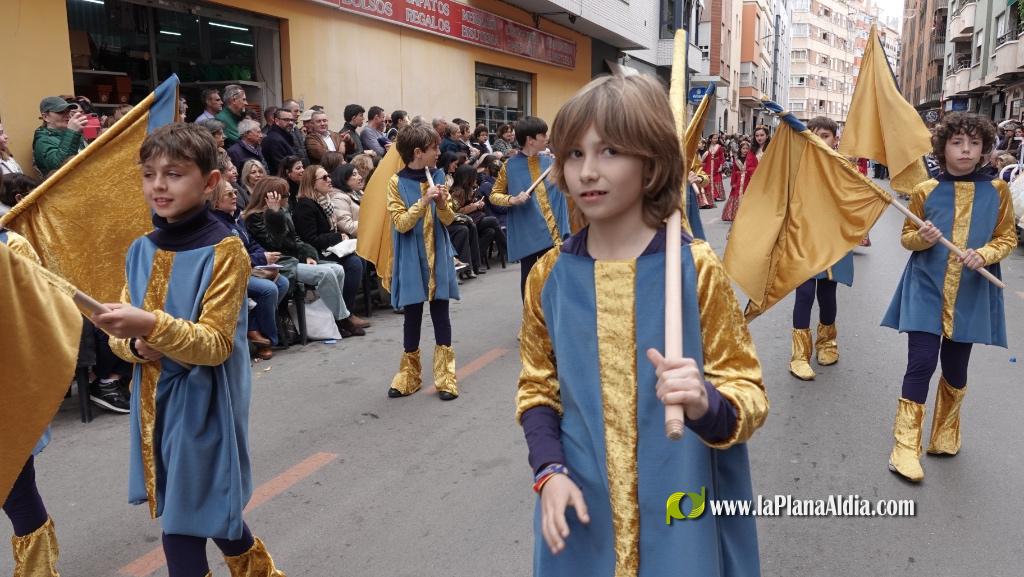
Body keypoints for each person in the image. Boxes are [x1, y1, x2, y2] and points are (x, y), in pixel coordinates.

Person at [516, 73, 766, 575]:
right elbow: (538, 389)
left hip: (680, 505)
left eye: (609, 151)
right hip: (582, 505)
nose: (588, 171)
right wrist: (549, 470)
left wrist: (705, 402)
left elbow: (748, 392)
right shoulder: (550, 275)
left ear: (651, 163)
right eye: (574, 154)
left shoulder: (694, 268)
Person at [89, 123, 285, 576]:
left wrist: (150, 326)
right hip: (154, 403)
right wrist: (135, 344)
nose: (158, 185)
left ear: (210, 181)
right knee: (210, 510)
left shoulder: (226, 250)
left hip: (206, 404)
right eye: (149, 174)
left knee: (181, 526)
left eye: (174, 174)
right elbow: (120, 336)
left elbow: (216, 344)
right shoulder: (140, 249)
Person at [881, 112, 1017, 482]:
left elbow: (1006, 237)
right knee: (921, 362)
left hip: (970, 291)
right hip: (925, 286)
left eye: (974, 143)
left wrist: (985, 254)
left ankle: (944, 433)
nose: (966, 150)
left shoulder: (998, 191)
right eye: (957, 142)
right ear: (943, 148)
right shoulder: (924, 191)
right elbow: (907, 238)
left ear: (984, 149)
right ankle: (905, 446)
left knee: (956, 367)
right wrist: (921, 238)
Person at [386, 123, 460, 401]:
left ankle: (446, 377)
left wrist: (441, 204)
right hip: (410, 254)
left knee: (441, 312)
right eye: (434, 148)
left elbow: (449, 219)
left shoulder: (438, 175)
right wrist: (424, 200)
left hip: (437, 252)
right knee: (413, 314)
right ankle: (409, 375)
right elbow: (401, 223)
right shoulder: (395, 182)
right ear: (418, 152)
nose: (439, 153)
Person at [243, 177, 365, 337]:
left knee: (338, 270)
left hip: (295, 258)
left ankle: (335, 320)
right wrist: (274, 215)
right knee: (326, 273)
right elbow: (274, 244)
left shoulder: (283, 212)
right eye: (284, 195)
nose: (288, 198)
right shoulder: (255, 217)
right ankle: (343, 319)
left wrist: (307, 254)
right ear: (270, 197)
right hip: (281, 263)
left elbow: (296, 240)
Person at [788, 117, 854, 381]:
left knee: (827, 295)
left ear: (835, 139)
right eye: (813, 134)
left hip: (834, 240)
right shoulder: (796, 165)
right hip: (803, 238)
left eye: (825, 135)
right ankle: (799, 355)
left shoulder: (845, 167)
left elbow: (853, 202)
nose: (818, 139)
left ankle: (827, 343)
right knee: (804, 294)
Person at [487, 116, 570, 298]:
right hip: (527, 232)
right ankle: (530, 315)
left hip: (553, 231)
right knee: (529, 279)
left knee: (554, 278)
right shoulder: (509, 166)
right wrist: (513, 199)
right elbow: (494, 195)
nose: (547, 137)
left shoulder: (550, 162)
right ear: (530, 140)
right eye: (543, 134)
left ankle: (552, 313)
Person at [209, 181, 289, 360]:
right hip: (230, 275)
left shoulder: (236, 218)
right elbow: (231, 258)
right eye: (229, 194)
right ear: (215, 201)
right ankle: (266, 341)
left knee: (283, 283)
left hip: (250, 268)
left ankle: (254, 329)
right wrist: (261, 259)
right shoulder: (216, 224)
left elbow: (252, 244)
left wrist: (265, 257)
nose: (235, 196)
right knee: (268, 289)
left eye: (235, 192)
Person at [291, 164, 370, 329]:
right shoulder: (305, 206)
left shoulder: (324, 201)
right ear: (313, 183)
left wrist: (338, 237)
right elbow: (310, 239)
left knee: (359, 258)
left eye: (329, 176)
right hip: (314, 254)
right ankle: (345, 314)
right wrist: (338, 237)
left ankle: (346, 311)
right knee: (354, 264)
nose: (329, 180)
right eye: (324, 178)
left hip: (328, 248)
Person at [451, 163, 505, 273]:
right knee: (493, 220)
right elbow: (457, 212)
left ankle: (475, 263)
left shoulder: (469, 189)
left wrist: (479, 204)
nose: (475, 179)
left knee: (490, 232)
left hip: (473, 219)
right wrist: (474, 206)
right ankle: (507, 247)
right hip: (465, 221)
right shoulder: (456, 192)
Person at [33, 96, 87, 176]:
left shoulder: (71, 133)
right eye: (61, 112)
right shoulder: (42, 141)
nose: (67, 115)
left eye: (68, 111)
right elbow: (59, 167)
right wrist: (72, 132)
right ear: (46, 117)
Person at [262, 108, 299, 176]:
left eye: (292, 120)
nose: (290, 123)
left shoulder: (285, 135)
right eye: (286, 120)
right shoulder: (274, 140)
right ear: (276, 121)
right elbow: (280, 167)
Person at [329, 163, 362, 238]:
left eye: (358, 174)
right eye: (354, 174)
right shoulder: (338, 198)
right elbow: (348, 227)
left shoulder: (356, 192)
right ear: (343, 178)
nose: (360, 177)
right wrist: (372, 223)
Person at [721, 140, 750, 222]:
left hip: (747, 179)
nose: (745, 150)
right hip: (738, 180)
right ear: (740, 149)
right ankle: (734, 214)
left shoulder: (750, 158)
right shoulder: (736, 159)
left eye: (747, 148)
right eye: (743, 148)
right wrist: (733, 182)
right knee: (736, 194)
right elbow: (734, 171)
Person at [701, 132, 727, 203]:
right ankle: (709, 195)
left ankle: (717, 195)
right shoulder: (707, 147)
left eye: (716, 138)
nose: (716, 139)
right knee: (709, 179)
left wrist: (720, 166)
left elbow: (722, 157)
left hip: (716, 165)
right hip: (708, 165)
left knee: (717, 180)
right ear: (710, 139)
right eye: (714, 138)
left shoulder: (719, 147)